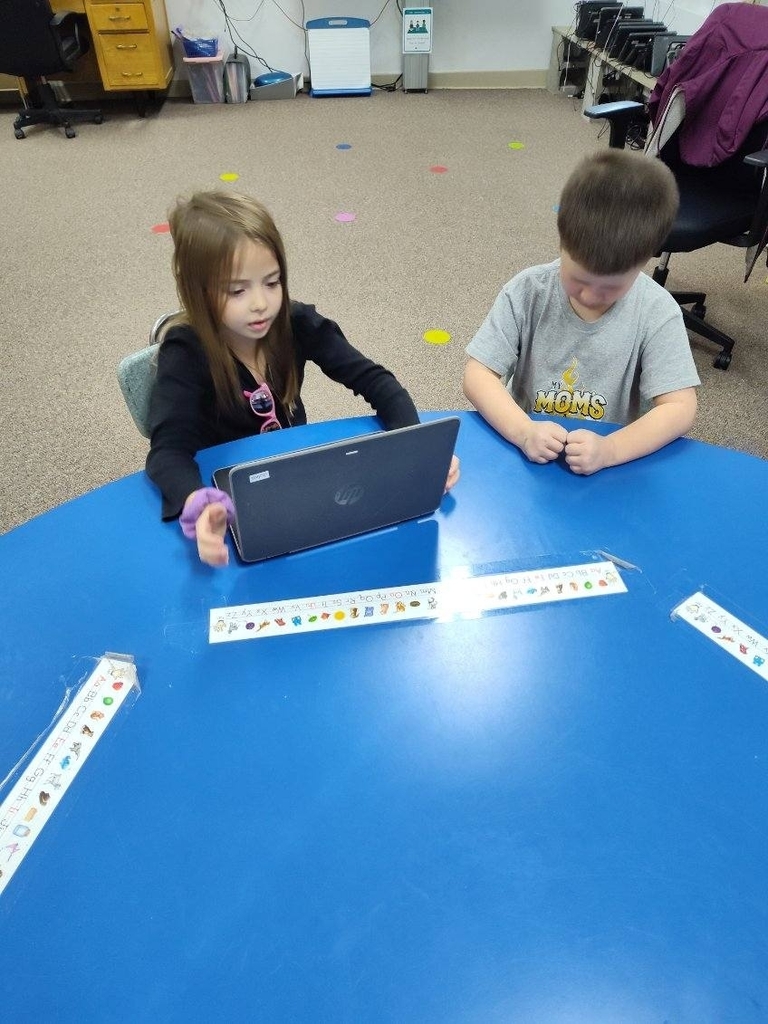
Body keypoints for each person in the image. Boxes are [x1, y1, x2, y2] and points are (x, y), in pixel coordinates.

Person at [147, 190, 460, 567]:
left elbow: (376, 381)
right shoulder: (185, 352)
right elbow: (168, 452)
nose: (261, 303)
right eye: (237, 290)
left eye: (272, 282)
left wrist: (416, 448)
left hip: (298, 481)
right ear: (198, 293)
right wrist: (197, 502)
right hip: (232, 499)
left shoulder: (295, 323)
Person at [462, 149, 700, 476]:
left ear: (642, 263)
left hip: (608, 463)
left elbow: (680, 408)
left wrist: (610, 449)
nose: (590, 296)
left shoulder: (657, 312)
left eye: (610, 288)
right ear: (562, 243)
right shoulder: (527, 291)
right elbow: (478, 375)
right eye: (578, 280)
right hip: (527, 455)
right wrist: (523, 431)